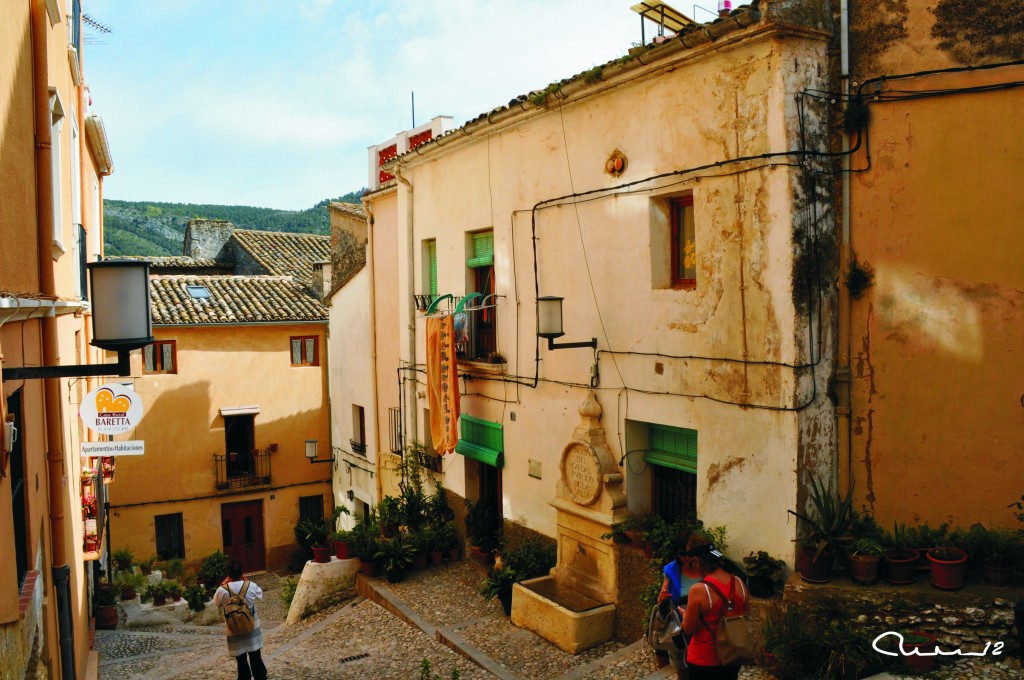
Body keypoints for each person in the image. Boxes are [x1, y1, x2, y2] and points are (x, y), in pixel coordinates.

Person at [679, 534, 748, 680]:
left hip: (704, 660)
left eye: (690, 563)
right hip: (732, 656)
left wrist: (685, 616)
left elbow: (689, 629)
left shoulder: (699, 590)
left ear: (696, 561)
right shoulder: (739, 583)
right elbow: (744, 615)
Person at [213, 560, 267, 680]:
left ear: (228, 574)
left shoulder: (222, 591)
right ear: (242, 572)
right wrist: (246, 581)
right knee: (256, 657)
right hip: (251, 628)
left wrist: (224, 584)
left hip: (234, 630)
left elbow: (216, 602)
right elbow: (260, 595)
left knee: (241, 660)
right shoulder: (251, 586)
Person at [657, 538, 700, 679]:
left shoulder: (703, 567)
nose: (685, 558)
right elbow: (662, 596)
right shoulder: (672, 570)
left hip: (701, 626)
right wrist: (662, 598)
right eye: (682, 554)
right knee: (682, 667)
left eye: (687, 554)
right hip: (679, 627)